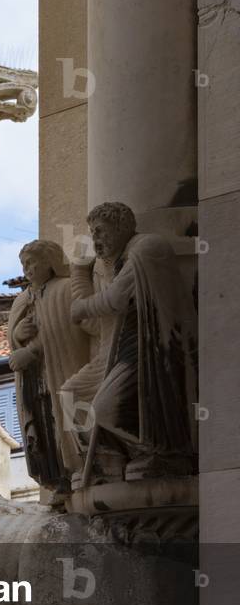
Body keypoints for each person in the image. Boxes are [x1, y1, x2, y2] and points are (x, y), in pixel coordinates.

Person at [67, 202, 197, 483]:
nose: (95, 239)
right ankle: (106, 458)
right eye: (91, 233)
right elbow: (97, 324)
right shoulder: (111, 265)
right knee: (70, 395)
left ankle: (163, 452)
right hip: (118, 348)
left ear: (122, 226)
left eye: (100, 231)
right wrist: (79, 272)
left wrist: (82, 307)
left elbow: (114, 300)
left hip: (151, 346)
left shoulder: (146, 248)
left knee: (103, 408)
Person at [8, 240, 91, 498]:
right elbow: (14, 336)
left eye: (32, 262)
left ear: (50, 261)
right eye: (24, 264)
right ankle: (56, 478)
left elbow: (65, 329)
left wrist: (30, 351)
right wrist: (17, 335)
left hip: (60, 368)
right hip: (35, 379)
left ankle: (76, 468)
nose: (28, 269)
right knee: (43, 423)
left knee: (62, 419)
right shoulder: (22, 300)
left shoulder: (65, 290)